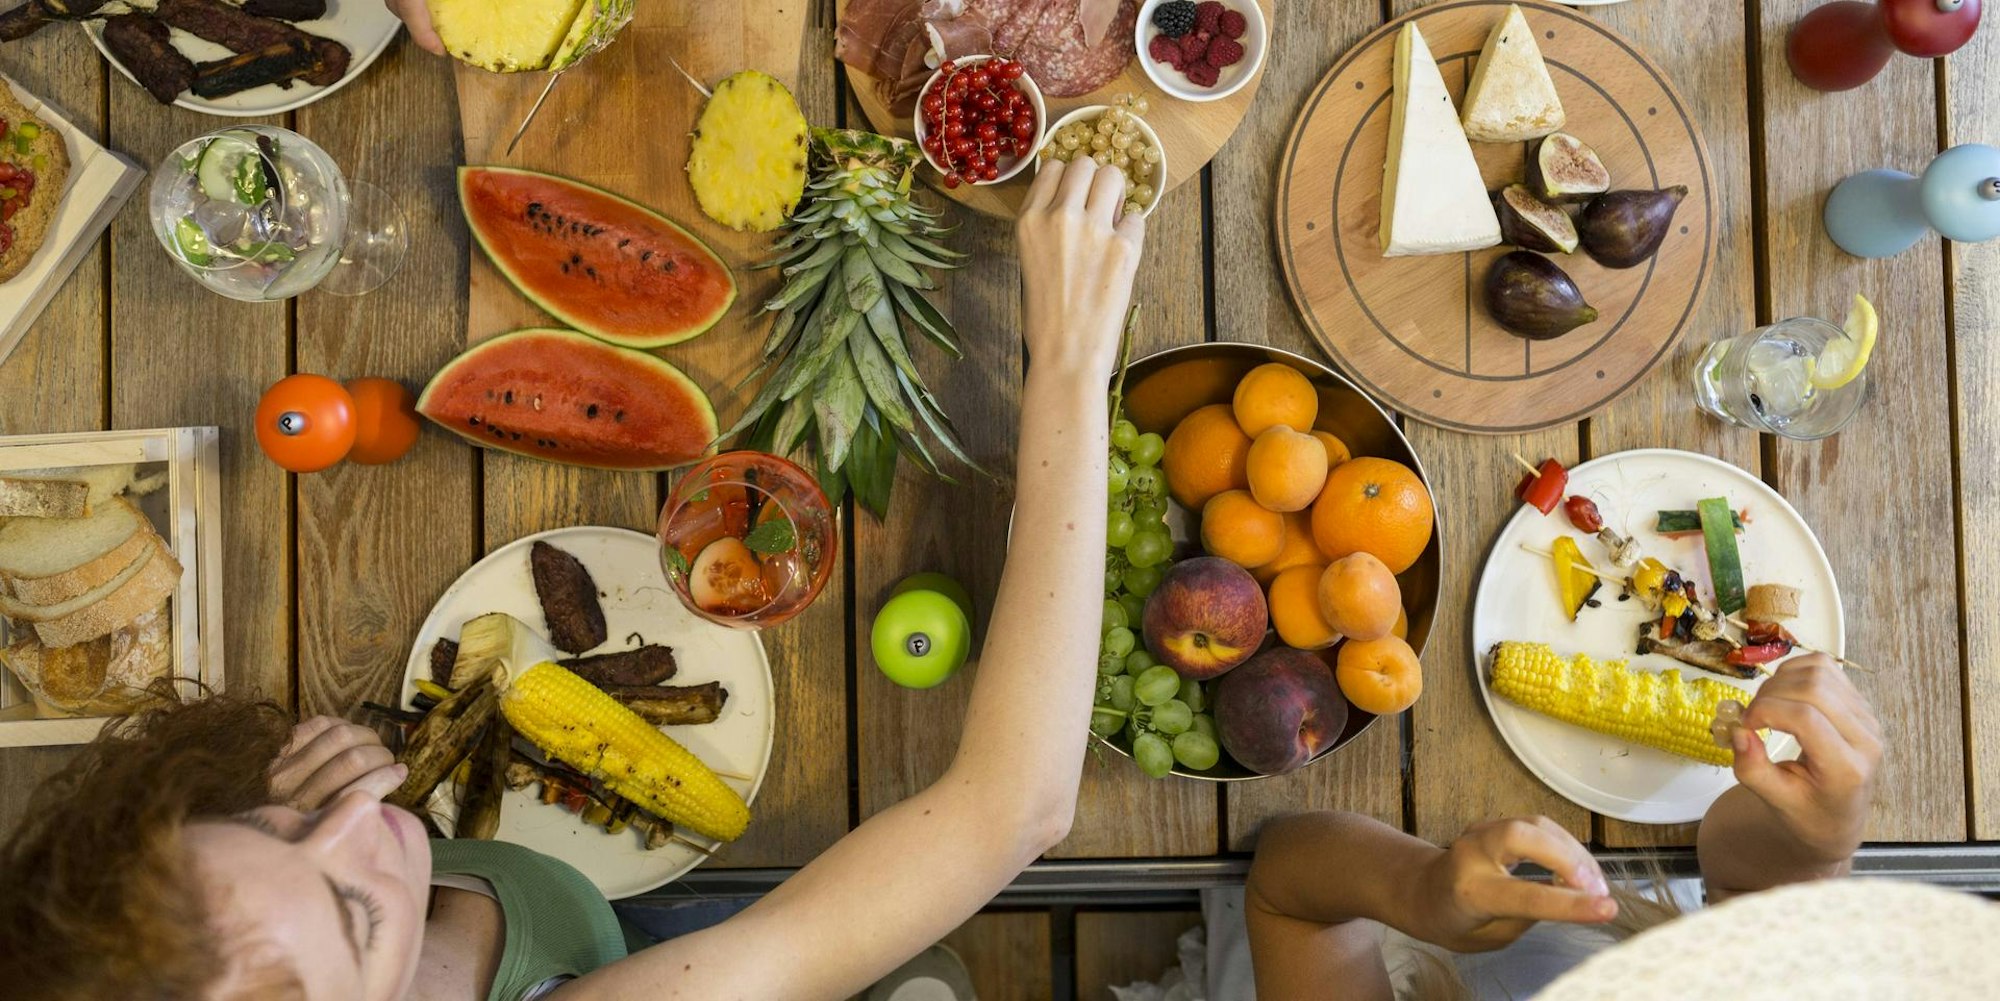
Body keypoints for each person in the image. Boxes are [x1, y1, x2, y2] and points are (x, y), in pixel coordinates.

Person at [0, 157, 1144, 1001]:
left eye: (264, 827)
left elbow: (331, 837)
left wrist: (293, 810)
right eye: (352, 914)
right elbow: (1014, 805)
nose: (355, 816)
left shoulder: (250, 899)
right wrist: (1071, 369)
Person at [1233, 653, 1888, 999]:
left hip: (1352, 914)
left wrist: (1413, 890)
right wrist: (1815, 848)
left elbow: (1283, 895)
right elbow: (1744, 887)